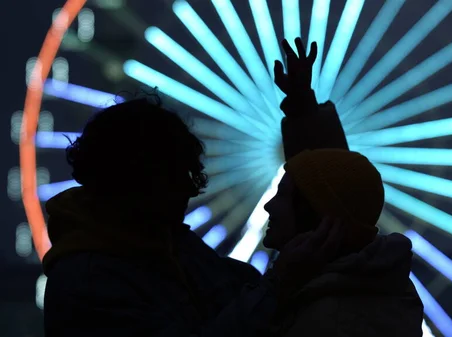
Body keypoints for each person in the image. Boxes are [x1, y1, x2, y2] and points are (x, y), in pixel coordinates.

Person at [42, 94, 345, 337]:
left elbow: (335, 207)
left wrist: (305, 118)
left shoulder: (164, 244)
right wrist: (281, 282)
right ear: (137, 179)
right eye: (177, 177)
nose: (189, 191)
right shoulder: (89, 283)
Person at [262, 38, 424, 336]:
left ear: (315, 217)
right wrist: (302, 111)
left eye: (282, 196)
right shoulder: (367, 290)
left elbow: (327, 185)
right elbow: (328, 186)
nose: (268, 205)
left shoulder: (325, 317)